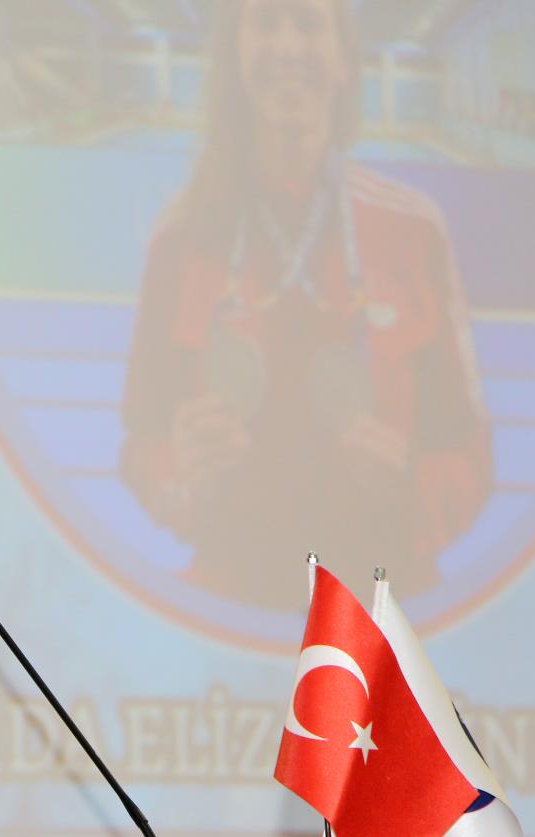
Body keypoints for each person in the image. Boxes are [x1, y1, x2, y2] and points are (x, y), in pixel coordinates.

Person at [118, 0, 493, 610]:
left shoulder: (412, 231)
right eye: (266, 23)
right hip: (233, 611)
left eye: (309, 24)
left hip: (381, 608)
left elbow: (469, 459)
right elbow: (143, 445)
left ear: (344, 59)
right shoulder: (182, 239)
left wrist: (407, 485)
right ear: (236, 54)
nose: (288, 46)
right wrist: (181, 476)